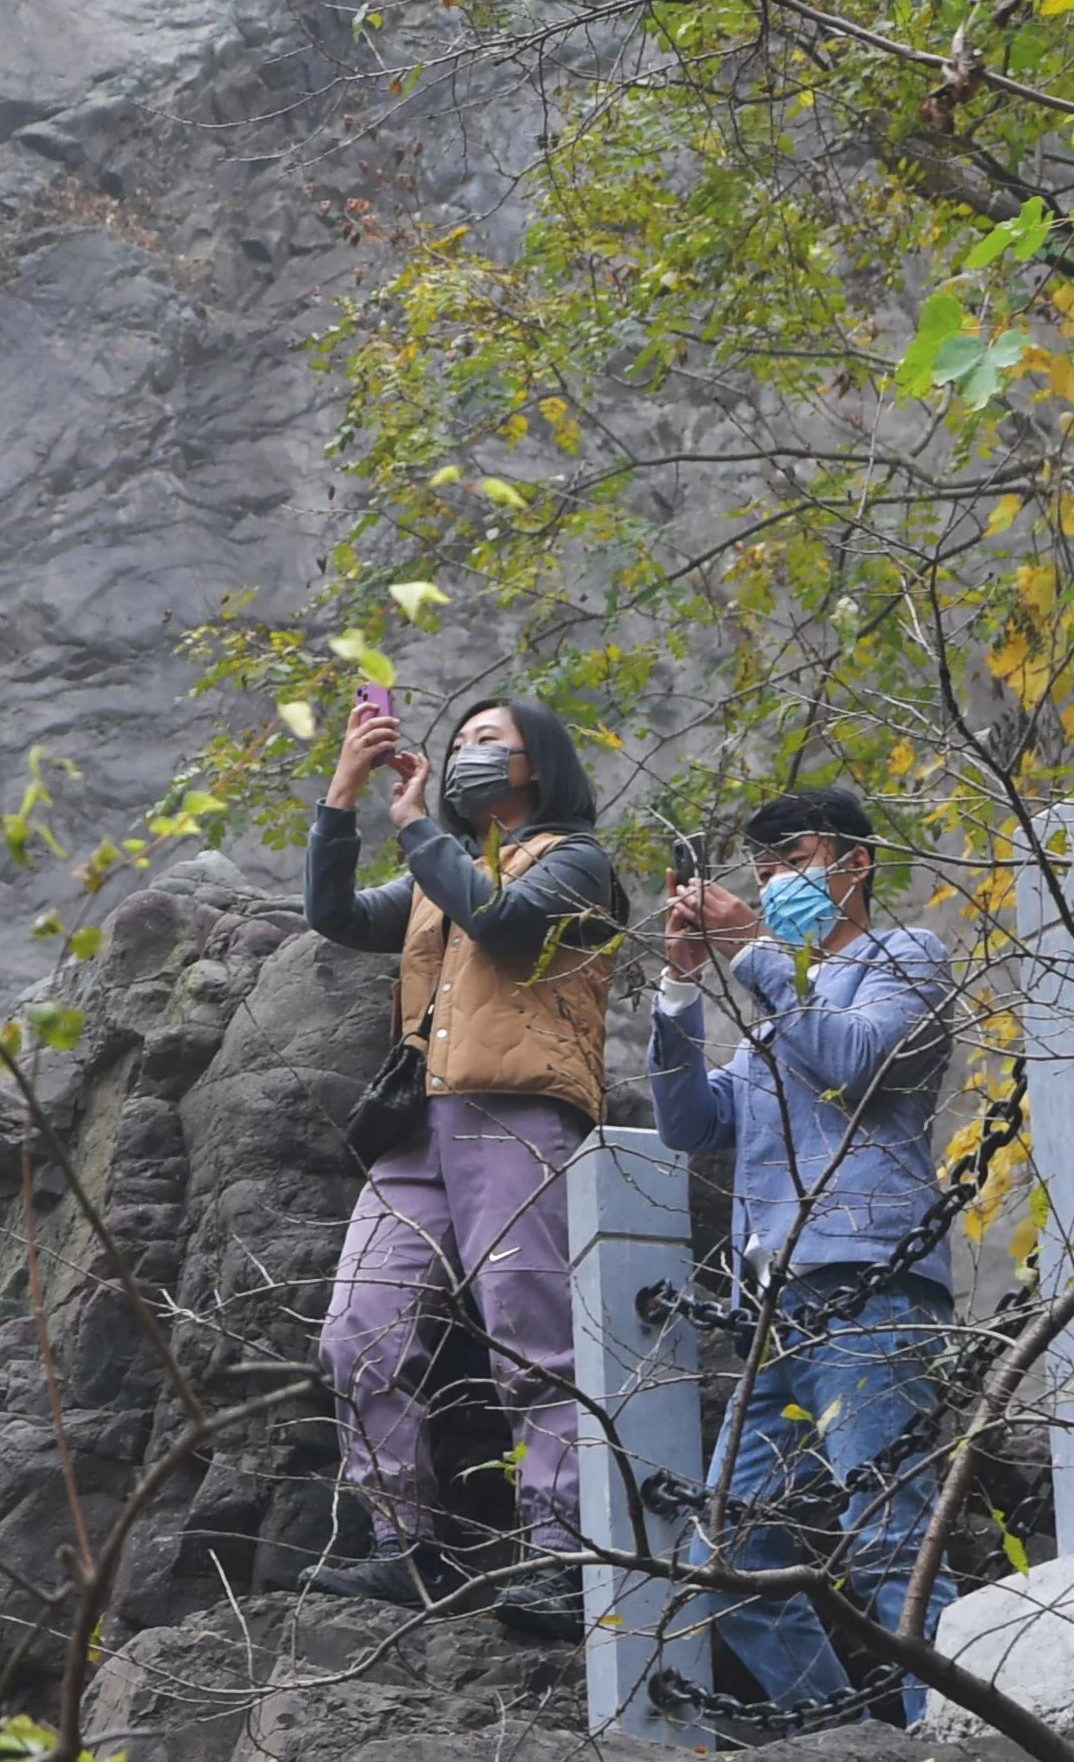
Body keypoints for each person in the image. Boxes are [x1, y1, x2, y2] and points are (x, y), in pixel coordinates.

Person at [295, 683, 632, 1637]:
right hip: (418, 1125)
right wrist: (345, 789)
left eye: (493, 739)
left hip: (516, 1114)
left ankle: (565, 1557)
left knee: (534, 1337)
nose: (473, 752)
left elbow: (504, 921)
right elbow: (334, 915)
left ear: (540, 764)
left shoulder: (576, 864)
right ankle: (401, 1543)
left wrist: (413, 829)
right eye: (465, 739)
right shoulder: (446, 869)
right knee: (359, 1326)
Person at [650, 783, 962, 1725]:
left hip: (871, 1286)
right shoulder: (773, 1009)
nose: (777, 876)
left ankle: (955, 1735)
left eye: (795, 856)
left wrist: (759, 952)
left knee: (887, 1539)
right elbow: (690, 1120)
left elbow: (864, 1059)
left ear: (854, 863)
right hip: (772, 1312)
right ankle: (843, 1740)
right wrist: (677, 984)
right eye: (767, 865)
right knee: (728, 1551)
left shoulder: (905, 956)